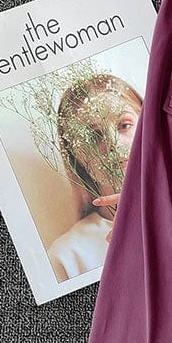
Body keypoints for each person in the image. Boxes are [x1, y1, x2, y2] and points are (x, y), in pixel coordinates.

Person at [47, 74, 142, 281]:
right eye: (94, 136)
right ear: (75, 157)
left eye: (124, 125)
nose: (113, 144)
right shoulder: (66, 256)